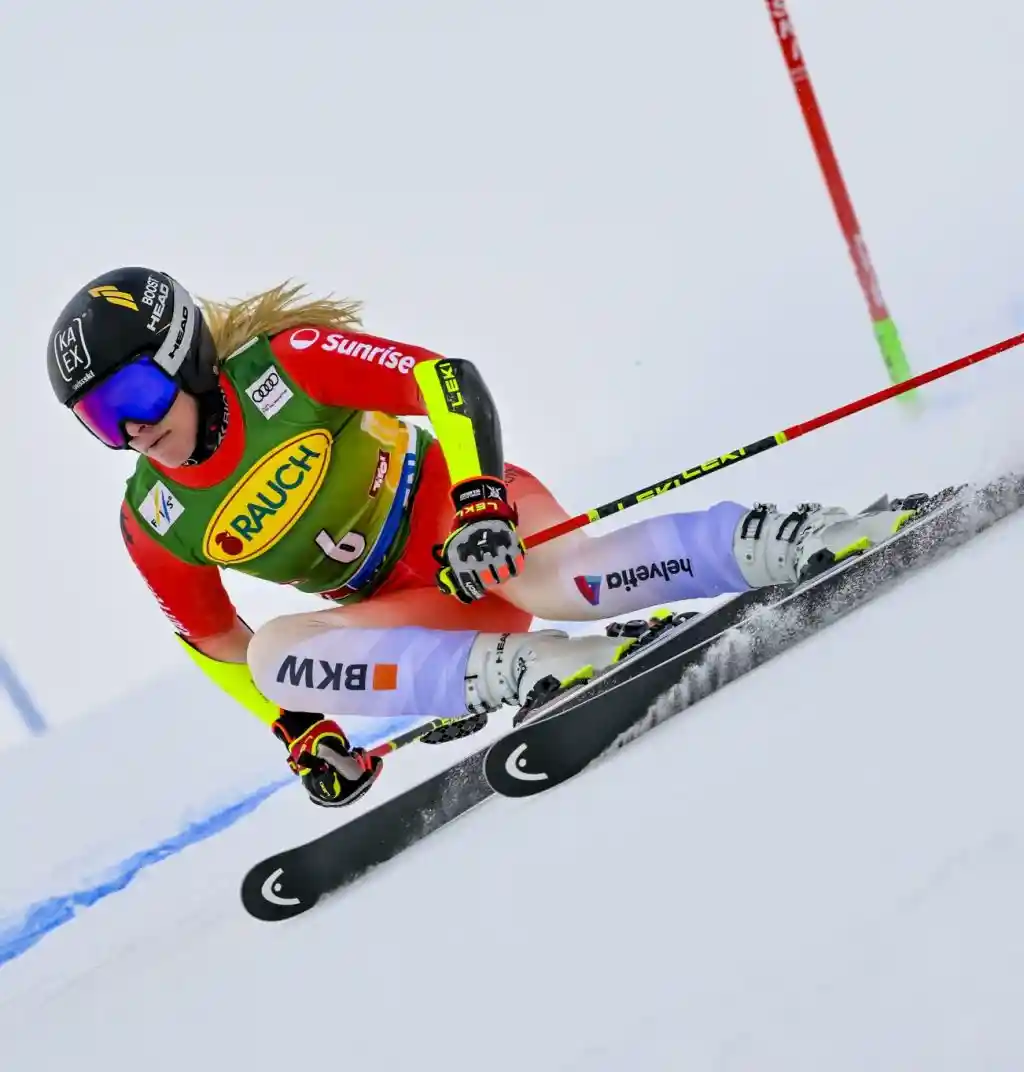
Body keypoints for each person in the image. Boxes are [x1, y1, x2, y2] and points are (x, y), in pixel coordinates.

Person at [47, 267, 921, 808]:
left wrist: (477, 503)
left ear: (185, 356)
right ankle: (536, 670)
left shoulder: (285, 366)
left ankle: (793, 540)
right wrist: (301, 729)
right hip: (420, 611)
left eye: (134, 398)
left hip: (467, 526)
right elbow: (214, 639)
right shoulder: (153, 519)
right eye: (100, 420)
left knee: (554, 582)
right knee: (278, 655)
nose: (133, 432)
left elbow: (444, 380)